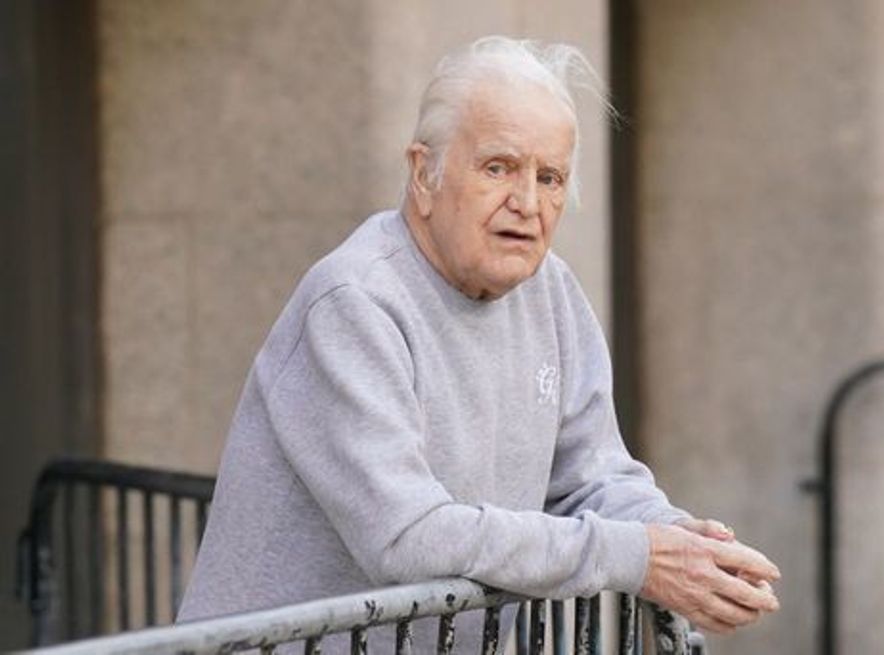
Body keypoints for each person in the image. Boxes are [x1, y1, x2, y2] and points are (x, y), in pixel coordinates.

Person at [178, 36, 780, 651]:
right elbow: (407, 536)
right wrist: (636, 557)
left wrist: (681, 542)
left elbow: (591, 477)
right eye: (498, 168)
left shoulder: (552, 290)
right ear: (424, 174)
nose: (527, 203)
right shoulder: (354, 302)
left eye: (550, 178)